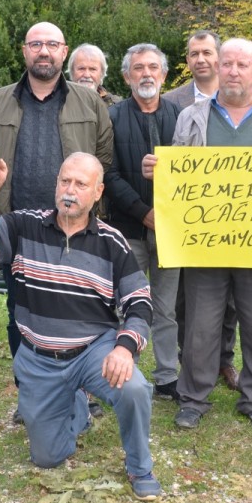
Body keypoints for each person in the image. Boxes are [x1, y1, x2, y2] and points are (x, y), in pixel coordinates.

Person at [0, 149, 161, 501]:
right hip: (39, 358)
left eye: (81, 184)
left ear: (98, 192)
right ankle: (76, 404)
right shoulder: (24, 225)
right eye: (65, 181)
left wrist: (125, 349)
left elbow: (140, 301)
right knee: (47, 458)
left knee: (134, 388)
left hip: (93, 350)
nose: (70, 190)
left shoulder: (112, 242)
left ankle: (139, 466)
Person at [156, 37, 252, 432]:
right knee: (201, 323)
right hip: (206, 244)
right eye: (228, 64)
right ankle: (193, 398)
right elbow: (179, 178)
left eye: (243, 65)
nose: (234, 71)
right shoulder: (191, 117)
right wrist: (159, 172)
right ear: (218, 69)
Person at [0, 21, 113, 403]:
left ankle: (83, 395)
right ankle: (33, 395)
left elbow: (104, 157)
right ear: (24, 50)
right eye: (36, 44)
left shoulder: (89, 102)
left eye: (52, 44)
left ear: (64, 51)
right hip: (19, 230)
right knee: (20, 316)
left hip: (76, 229)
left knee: (83, 312)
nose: (44, 51)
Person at [103, 43, 182, 400]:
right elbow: (109, 172)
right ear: (126, 76)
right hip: (129, 229)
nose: (146, 73)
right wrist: (142, 211)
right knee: (126, 303)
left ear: (164, 75)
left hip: (174, 231)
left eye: (153, 67)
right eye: (138, 68)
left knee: (166, 307)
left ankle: (167, 376)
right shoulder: (113, 117)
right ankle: (123, 371)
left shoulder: (181, 116)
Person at [164, 30, 241, 392]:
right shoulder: (171, 101)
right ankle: (190, 359)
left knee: (230, 302)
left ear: (219, 58)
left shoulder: (246, 102)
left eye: (207, 53)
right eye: (194, 53)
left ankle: (224, 359)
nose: (201, 60)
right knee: (189, 298)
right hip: (193, 218)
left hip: (239, 216)